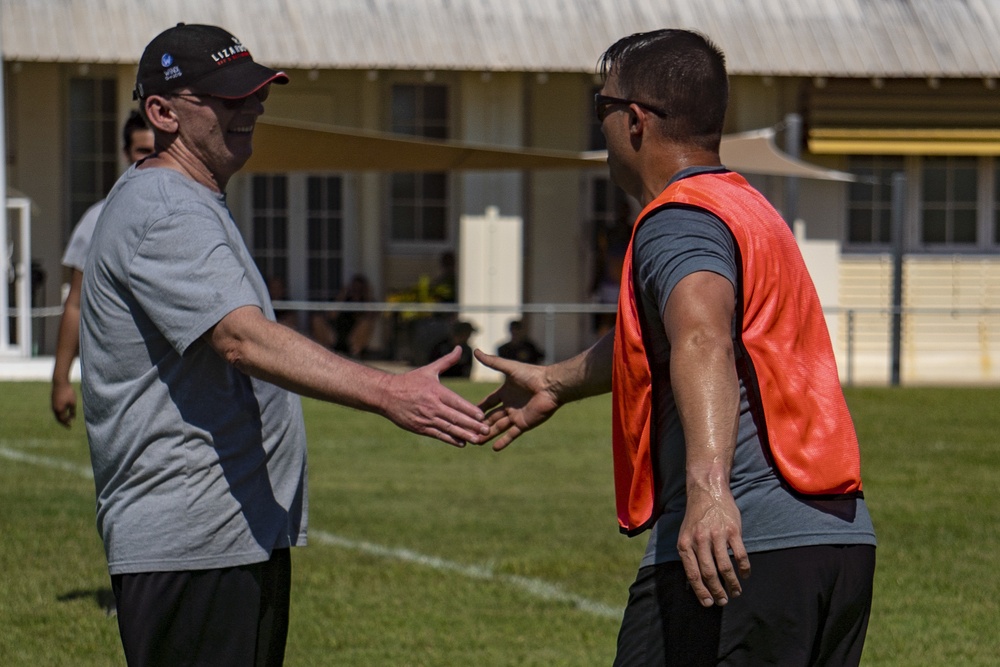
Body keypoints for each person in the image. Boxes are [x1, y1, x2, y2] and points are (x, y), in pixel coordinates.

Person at [79, 23, 487, 667]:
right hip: (194, 545)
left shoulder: (188, 198)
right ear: (162, 113)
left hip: (227, 536)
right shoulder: (166, 208)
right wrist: (388, 391)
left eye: (256, 92)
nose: (253, 107)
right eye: (229, 98)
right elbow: (240, 338)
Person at [475, 29, 876, 666]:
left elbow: (701, 334)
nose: (598, 127)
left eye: (599, 109)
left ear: (634, 121)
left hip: (741, 546)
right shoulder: (747, 207)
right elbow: (663, 339)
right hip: (836, 544)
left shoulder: (677, 218)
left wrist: (710, 492)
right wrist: (557, 380)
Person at [50, 111, 154, 426]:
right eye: (142, 151)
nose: (151, 159)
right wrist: (61, 380)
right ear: (126, 154)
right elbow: (76, 304)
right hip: (119, 387)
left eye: (159, 149)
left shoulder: (190, 218)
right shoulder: (98, 220)